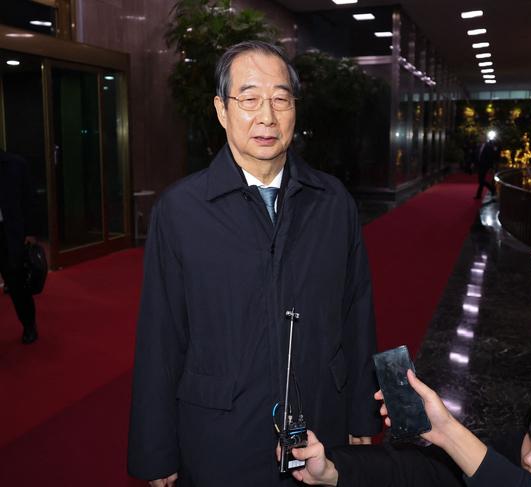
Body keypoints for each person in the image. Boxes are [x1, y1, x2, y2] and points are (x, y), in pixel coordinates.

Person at [127, 41, 381, 486]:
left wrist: (362, 413)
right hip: (219, 432)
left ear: (295, 109)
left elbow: (356, 314)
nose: (267, 116)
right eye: (248, 98)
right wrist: (156, 450)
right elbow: (160, 335)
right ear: (222, 110)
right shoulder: (181, 211)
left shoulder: (332, 202)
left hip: (321, 423)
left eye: (281, 99)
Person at [290, 374, 531, 487]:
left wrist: (447, 431)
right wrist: (334, 470)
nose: (528, 456)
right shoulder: (520, 453)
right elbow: (429, 470)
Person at [0, 149, 38, 344]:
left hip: (9, 234)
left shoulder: (16, 165)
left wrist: (30, 232)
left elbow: (29, 201)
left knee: (16, 284)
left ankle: (29, 325)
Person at [474, 133, 498, 200]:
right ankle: (491, 190)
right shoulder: (479, 146)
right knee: (481, 180)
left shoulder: (488, 146)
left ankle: (491, 190)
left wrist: (490, 166)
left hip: (485, 166)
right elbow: (477, 155)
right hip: (480, 165)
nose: (480, 138)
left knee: (481, 180)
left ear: (485, 138)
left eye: (482, 137)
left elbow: (490, 156)